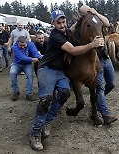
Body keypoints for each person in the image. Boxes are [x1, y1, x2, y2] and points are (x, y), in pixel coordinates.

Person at [29, 9, 104, 151]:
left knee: (64, 93)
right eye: (59, 22)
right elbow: (74, 51)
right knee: (46, 98)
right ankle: (35, 133)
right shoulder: (56, 36)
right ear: (53, 23)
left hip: (60, 71)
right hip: (47, 69)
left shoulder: (66, 32)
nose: (62, 25)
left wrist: (85, 15)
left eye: (64, 22)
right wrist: (92, 45)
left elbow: (76, 26)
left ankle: (47, 121)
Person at [78, 5, 118, 125]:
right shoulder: (82, 26)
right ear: (82, 15)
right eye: (87, 12)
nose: (90, 13)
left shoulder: (96, 20)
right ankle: (105, 115)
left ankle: (96, 101)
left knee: (111, 84)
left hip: (105, 56)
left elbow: (107, 22)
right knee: (99, 87)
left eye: (90, 10)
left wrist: (96, 12)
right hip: (95, 60)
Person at [9, 36, 42, 101]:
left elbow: (35, 53)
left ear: (26, 42)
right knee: (12, 73)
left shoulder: (31, 44)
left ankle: (29, 94)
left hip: (27, 64)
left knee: (30, 76)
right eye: (20, 45)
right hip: (17, 64)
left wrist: (39, 57)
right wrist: (32, 59)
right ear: (17, 43)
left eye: (24, 45)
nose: (22, 47)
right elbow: (22, 58)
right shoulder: (14, 47)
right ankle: (16, 92)